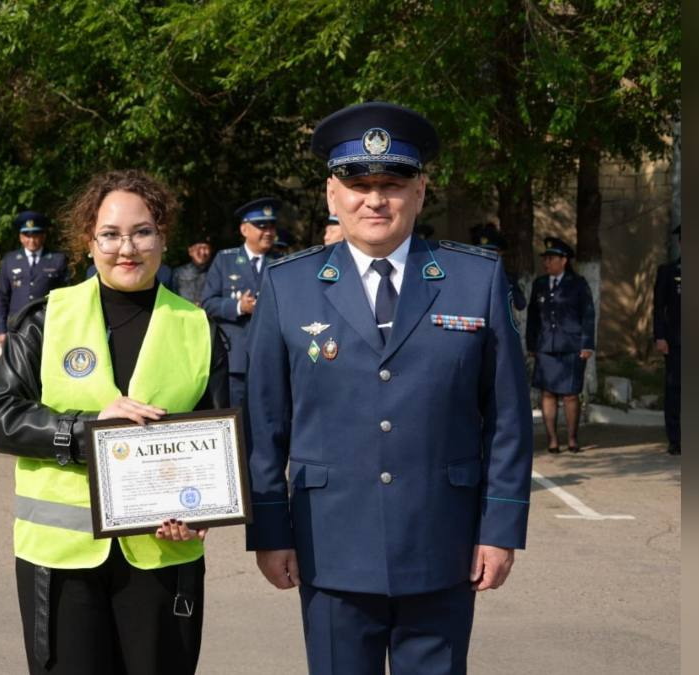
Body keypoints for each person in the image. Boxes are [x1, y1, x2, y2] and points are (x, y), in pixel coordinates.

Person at [244, 101, 533, 675]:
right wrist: (270, 531)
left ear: (420, 192)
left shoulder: (475, 279)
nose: (375, 200)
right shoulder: (289, 285)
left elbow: (507, 418)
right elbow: (265, 423)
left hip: (442, 543)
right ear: (332, 196)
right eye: (358, 185)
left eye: (393, 184)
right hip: (330, 545)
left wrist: (501, 530)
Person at [0, 169, 228, 675]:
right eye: (110, 234)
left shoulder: (199, 328)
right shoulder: (47, 319)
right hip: (62, 559)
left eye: (142, 232)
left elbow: (218, 437)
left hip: (162, 554)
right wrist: (87, 429)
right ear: (88, 241)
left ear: (163, 236)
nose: (126, 248)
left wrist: (204, 510)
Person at [201, 197, 281, 408]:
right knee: (236, 419)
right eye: (261, 226)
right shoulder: (225, 260)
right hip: (235, 359)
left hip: (271, 357)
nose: (268, 232)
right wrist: (239, 307)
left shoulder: (281, 262)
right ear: (244, 229)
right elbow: (208, 302)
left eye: (272, 226)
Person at [526, 236, 596, 454]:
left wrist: (587, 344)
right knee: (548, 393)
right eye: (545, 259)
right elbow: (533, 317)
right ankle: (553, 440)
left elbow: (588, 315)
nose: (546, 262)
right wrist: (531, 344)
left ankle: (572, 439)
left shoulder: (578, 284)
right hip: (546, 346)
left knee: (570, 395)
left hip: (571, 347)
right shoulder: (539, 284)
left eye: (551, 258)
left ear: (564, 260)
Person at [0, 211, 71, 347]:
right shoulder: (10, 260)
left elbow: (66, 296)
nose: (31, 240)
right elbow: (2, 297)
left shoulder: (58, 260)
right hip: (17, 326)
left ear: (43, 236)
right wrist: (1, 330)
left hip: (48, 325)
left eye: (35, 235)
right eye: (27, 235)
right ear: (20, 237)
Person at [653, 224, 681, 455]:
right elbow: (658, 307)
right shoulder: (669, 271)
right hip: (677, 341)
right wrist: (660, 336)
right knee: (675, 390)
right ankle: (675, 439)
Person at [470, 223, 528, 312]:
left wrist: (507, 284)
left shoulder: (508, 277)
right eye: (482, 253)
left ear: (500, 254)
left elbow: (521, 305)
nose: (486, 257)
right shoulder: (470, 276)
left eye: (491, 253)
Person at [172, 235, 213, 305]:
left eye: (205, 248)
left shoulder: (216, 272)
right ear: (190, 251)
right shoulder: (179, 273)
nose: (202, 252)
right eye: (199, 248)